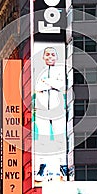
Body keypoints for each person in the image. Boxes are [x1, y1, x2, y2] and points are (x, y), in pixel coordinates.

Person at [33, 46, 66, 182]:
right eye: (47, 55)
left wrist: (47, 82)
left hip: (58, 109)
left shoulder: (60, 70)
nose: (50, 57)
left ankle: (62, 166)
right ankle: (42, 167)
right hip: (41, 110)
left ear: (56, 57)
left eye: (53, 55)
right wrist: (51, 83)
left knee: (60, 138)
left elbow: (60, 84)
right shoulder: (38, 71)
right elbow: (37, 87)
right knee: (43, 139)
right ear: (43, 57)